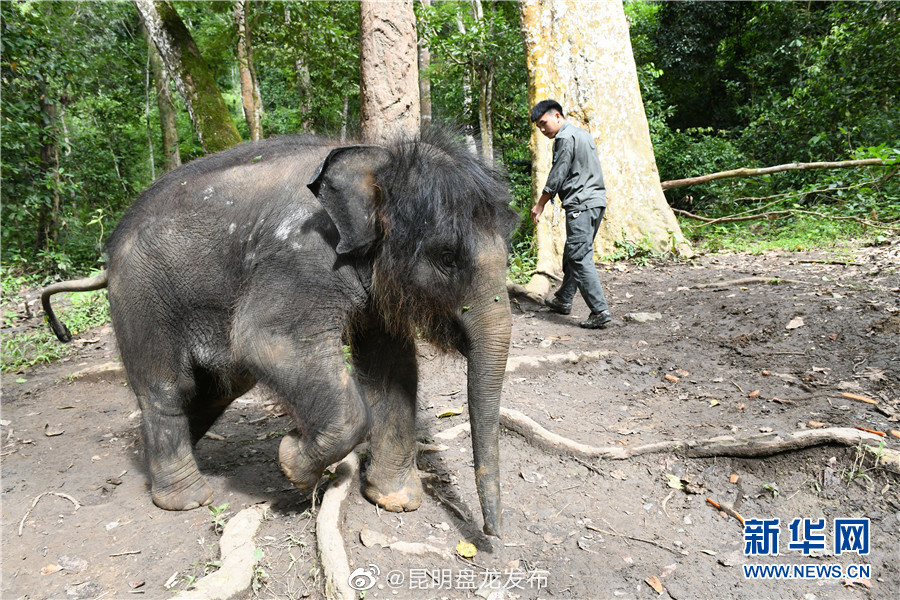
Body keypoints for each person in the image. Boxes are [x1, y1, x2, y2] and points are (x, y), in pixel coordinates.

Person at [530, 99, 611, 329]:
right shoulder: (582, 134)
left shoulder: (564, 138)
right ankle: (564, 299)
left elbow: (558, 173)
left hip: (581, 204)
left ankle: (599, 310)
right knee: (572, 252)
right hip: (595, 202)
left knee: (578, 256)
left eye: (544, 123)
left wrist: (541, 203)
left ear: (557, 116)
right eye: (539, 127)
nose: (543, 130)